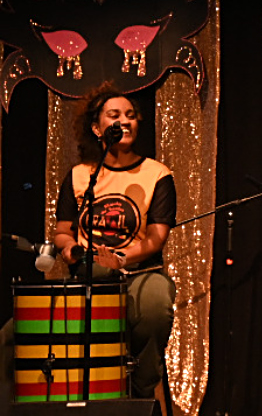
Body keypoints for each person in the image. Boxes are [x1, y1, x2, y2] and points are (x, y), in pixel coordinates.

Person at [1, 88, 177, 406]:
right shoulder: (80, 175)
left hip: (136, 274)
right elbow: (63, 232)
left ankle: (141, 391)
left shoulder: (157, 174)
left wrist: (120, 258)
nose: (124, 121)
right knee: (12, 334)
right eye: (115, 116)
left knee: (155, 303)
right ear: (97, 128)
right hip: (85, 277)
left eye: (130, 115)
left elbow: (156, 237)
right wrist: (69, 249)